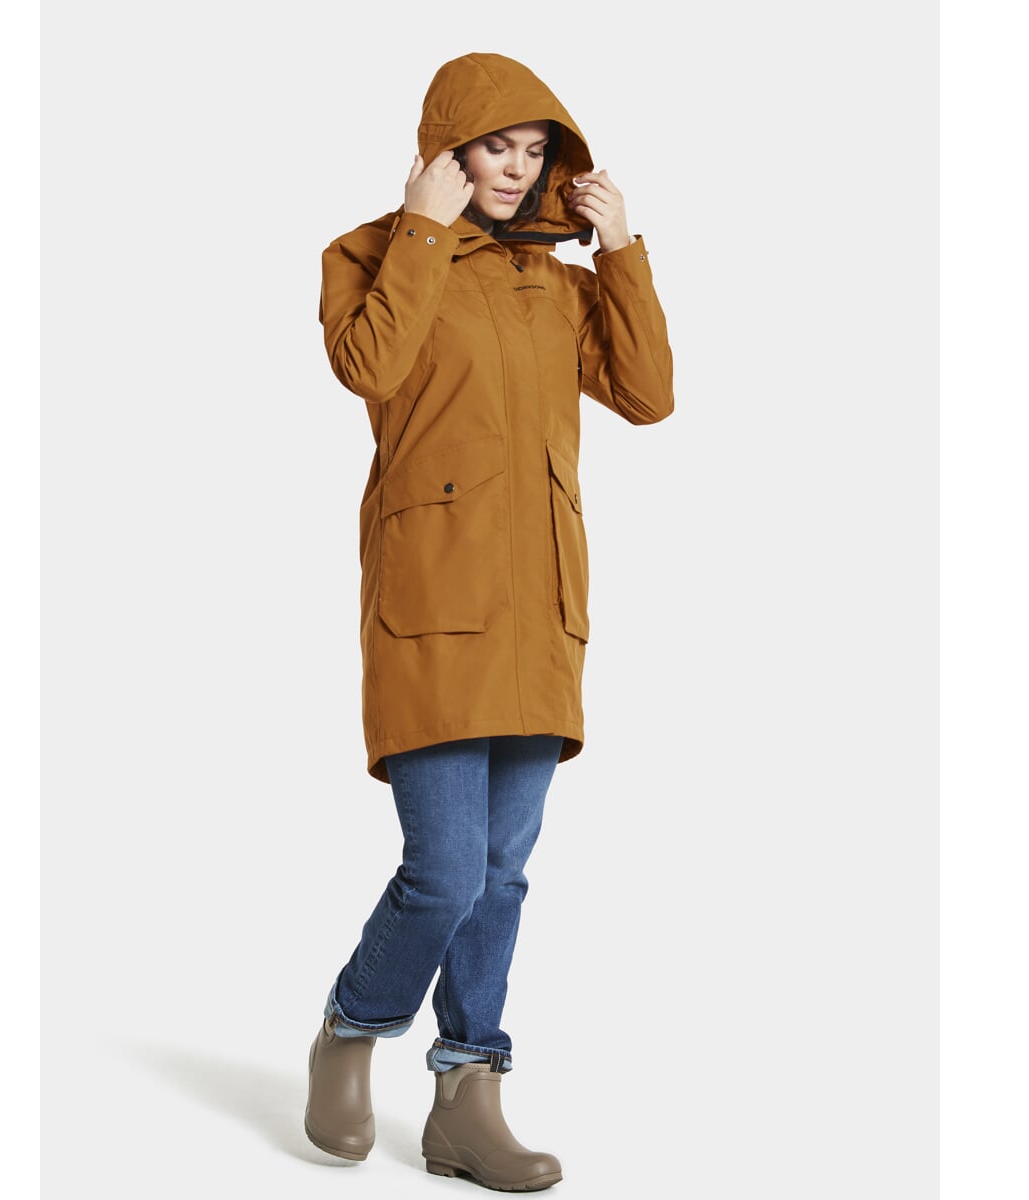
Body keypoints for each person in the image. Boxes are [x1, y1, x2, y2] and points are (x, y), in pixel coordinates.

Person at [305, 52, 675, 1191]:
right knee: (446, 873)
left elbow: (649, 395)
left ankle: (468, 1100)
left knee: (503, 874)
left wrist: (620, 251)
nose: (516, 169)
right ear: (447, 149)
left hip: (540, 611)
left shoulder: (557, 284)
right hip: (433, 603)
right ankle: (351, 1030)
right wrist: (423, 229)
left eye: (535, 151)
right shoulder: (371, 253)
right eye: (495, 147)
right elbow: (368, 365)